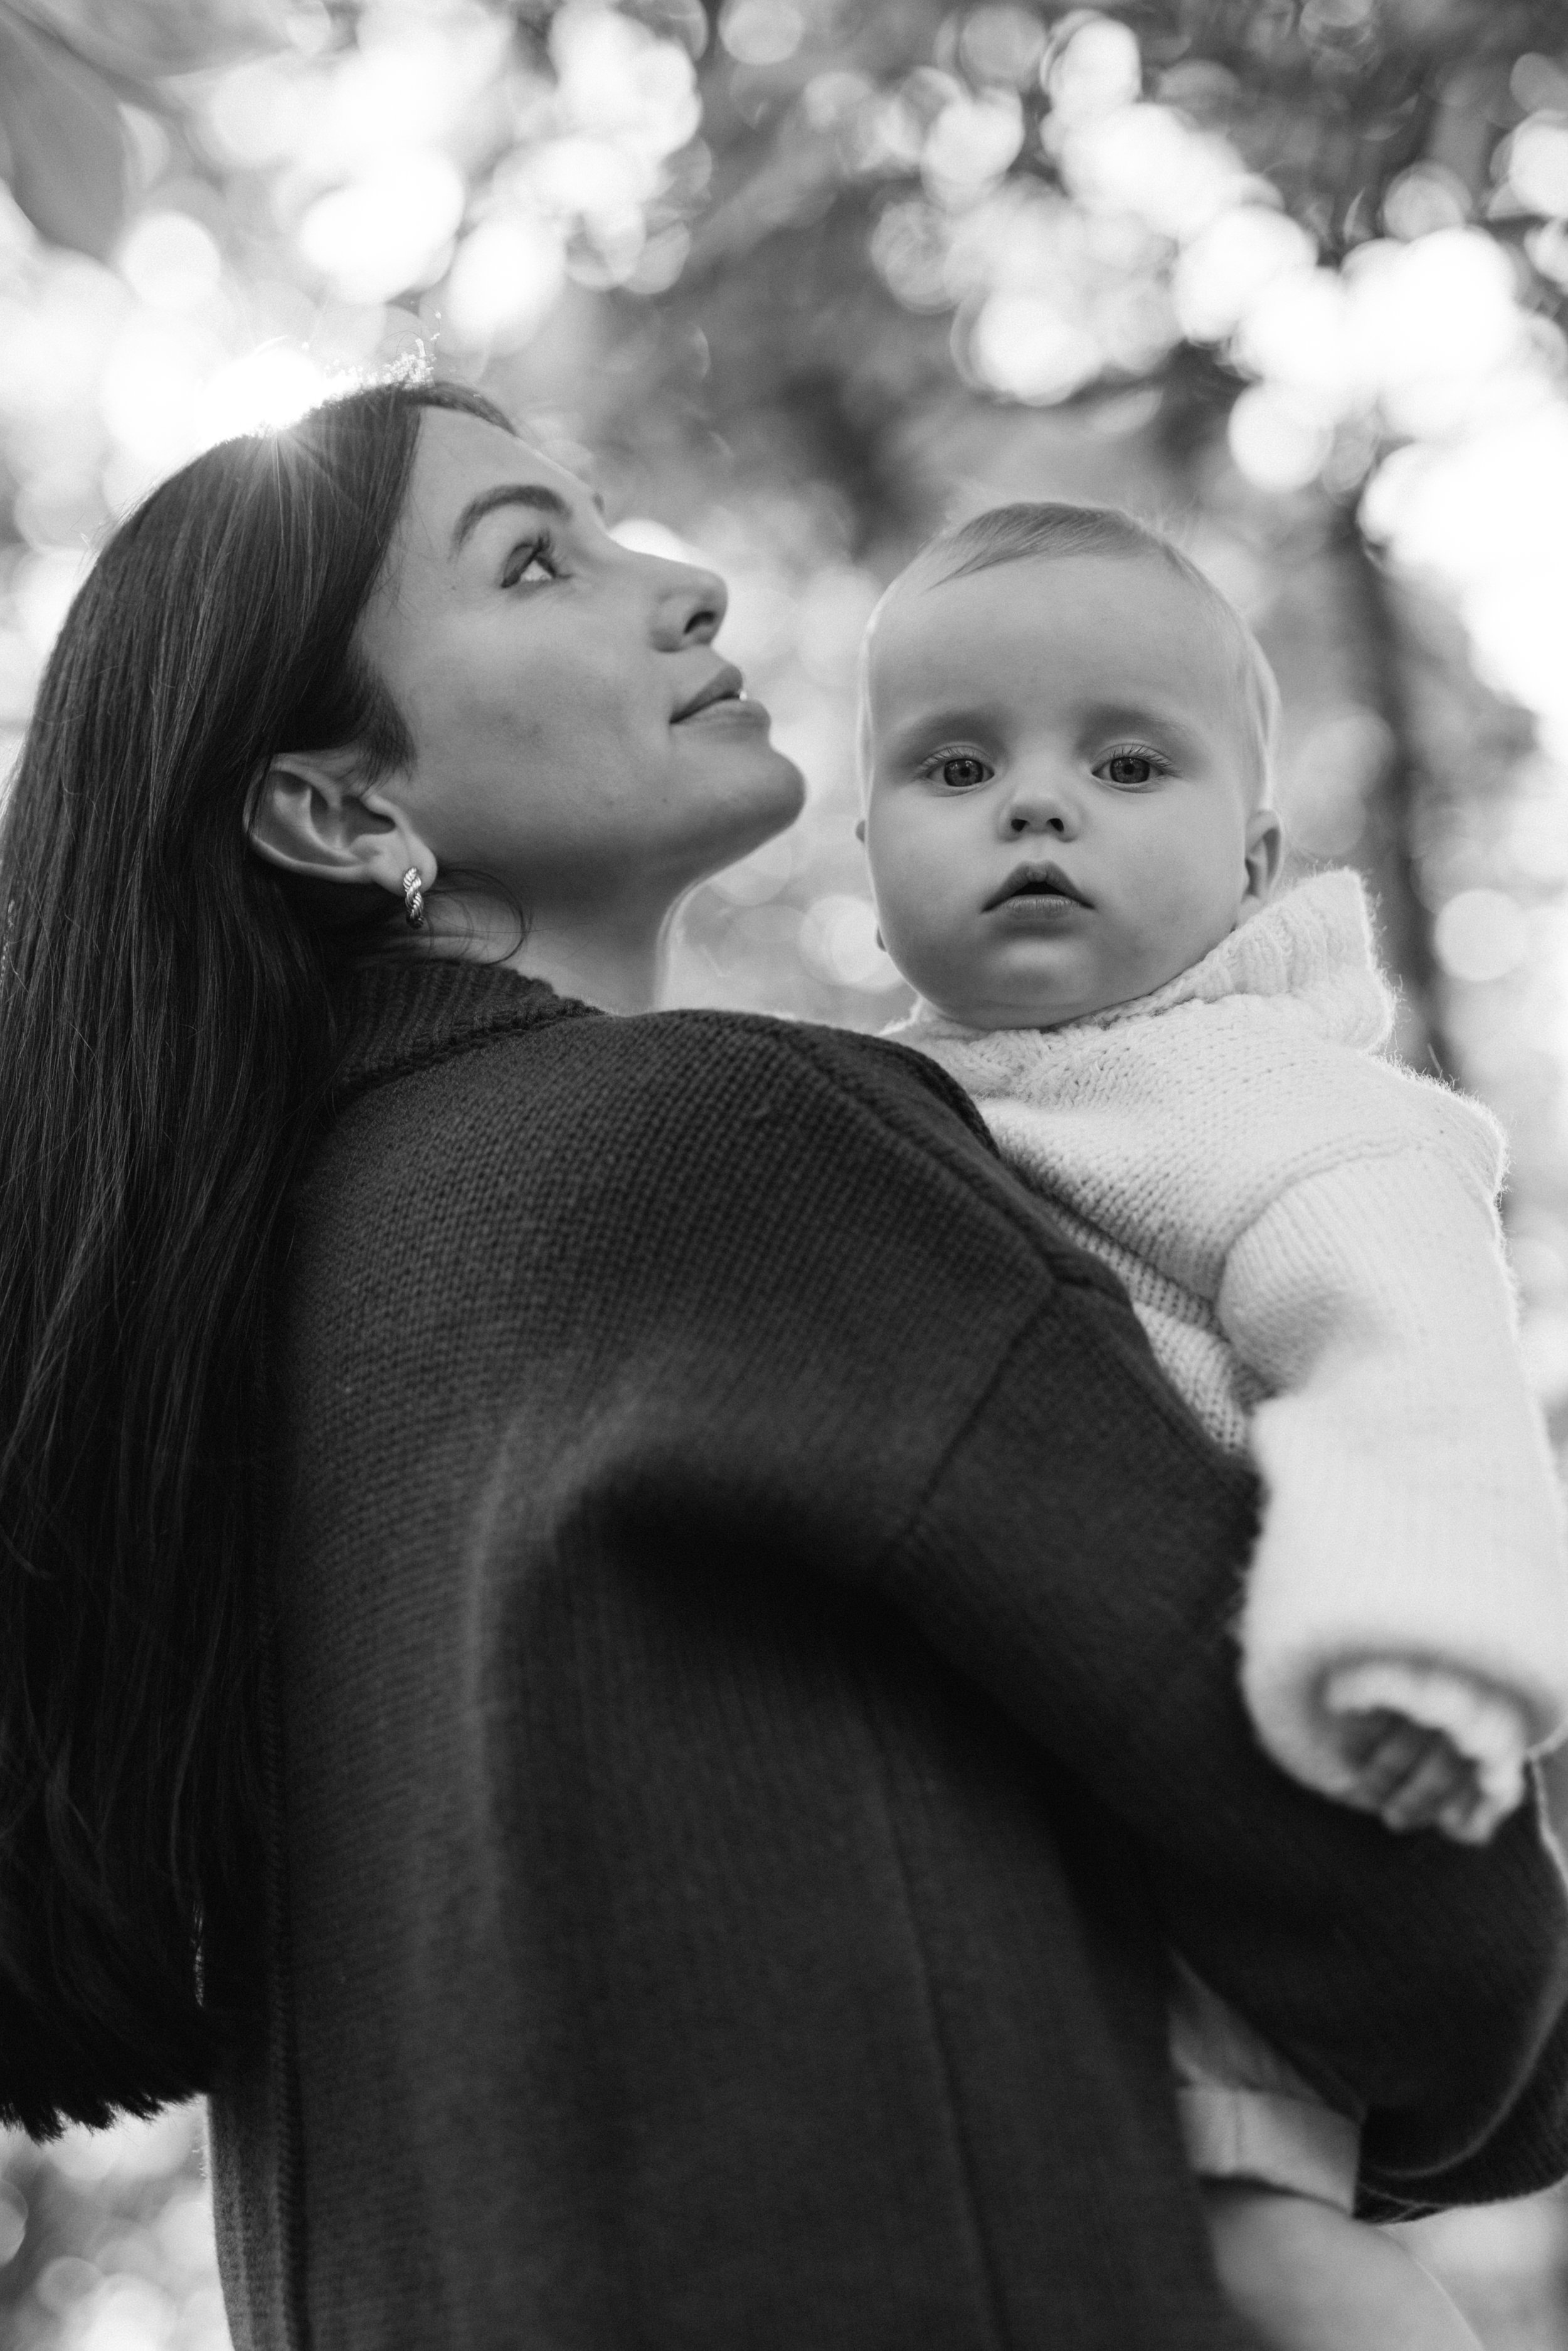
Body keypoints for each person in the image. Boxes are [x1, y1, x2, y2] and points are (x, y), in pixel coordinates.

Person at [2, 382, 1567, 2351]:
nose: (682, 582)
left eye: (614, 517)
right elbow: (1435, 1939)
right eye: (537, 561)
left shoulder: (235, 1327)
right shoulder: (726, 1157)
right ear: (340, 805)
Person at [856, 496, 1568, 2350]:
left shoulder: (1262, 1100)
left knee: (1253, 2242)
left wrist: (1418, 1645)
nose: (1035, 802)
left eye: (1121, 760)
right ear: (866, 849)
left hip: (1260, 1786)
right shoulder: (901, 1109)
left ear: (1251, 859)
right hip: (1035, 1828)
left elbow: (1405, 1356)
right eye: (954, 762)